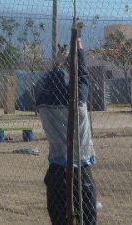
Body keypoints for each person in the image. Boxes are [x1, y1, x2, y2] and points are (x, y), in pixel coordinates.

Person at [35, 37, 97, 225]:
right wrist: (78, 51)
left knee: (59, 219)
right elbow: (82, 76)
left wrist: (57, 64)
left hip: (57, 170)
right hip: (81, 168)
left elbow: (44, 85)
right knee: (88, 218)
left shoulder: (42, 105)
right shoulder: (78, 104)